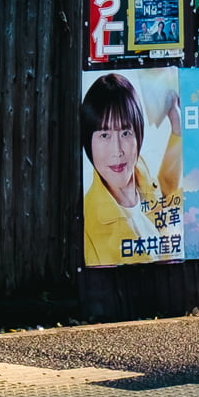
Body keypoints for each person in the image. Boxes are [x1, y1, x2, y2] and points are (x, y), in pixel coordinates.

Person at [80, 71, 181, 266]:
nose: (117, 151)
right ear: (88, 141)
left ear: (138, 134)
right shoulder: (89, 228)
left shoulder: (138, 168)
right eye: (104, 135)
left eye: (125, 132)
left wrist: (177, 127)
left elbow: (164, 194)